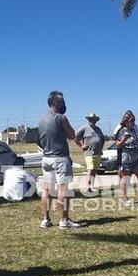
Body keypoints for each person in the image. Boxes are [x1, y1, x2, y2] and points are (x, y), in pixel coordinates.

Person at [38, 90, 83, 229]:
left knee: (46, 190)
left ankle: (45, 219)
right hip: (60, 158)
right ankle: (64, 220)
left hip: (46, 158)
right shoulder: (61, 118)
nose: (64, 104)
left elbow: (39, 140)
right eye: (62, 102)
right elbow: (71, 135)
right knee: (64, 190)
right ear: (55, 102)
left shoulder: (41, 119)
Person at [115, 111, 138, 204]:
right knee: (125, 178)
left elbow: (136, 140)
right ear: (126, 121)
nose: (133, 123)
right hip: (126, 158)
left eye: (133, 121)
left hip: (135, 157)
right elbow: (118, 145)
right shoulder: (121, 131)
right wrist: (124, 139)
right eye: (131, 121)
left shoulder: (134, 130)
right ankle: (124, 198)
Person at [75, 112, 105, 193]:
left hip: (98, 152)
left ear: (96, 120)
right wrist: (81, 145)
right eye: (91, 119)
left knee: (94, 170)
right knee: (90, 168)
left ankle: (92, 185)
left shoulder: (98, 129)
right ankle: (87, 186)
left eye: (94, 119)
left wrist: (101, 147)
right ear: (89, 120)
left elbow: (102, 139)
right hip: (89, 152)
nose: (93, 121)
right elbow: (76, 137)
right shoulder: (84, 128)